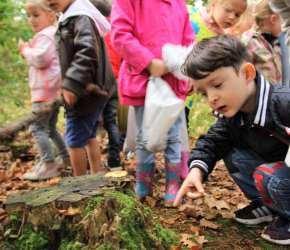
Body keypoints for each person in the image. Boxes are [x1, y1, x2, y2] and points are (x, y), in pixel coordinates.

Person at [174, 35, 290, 245]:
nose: (211, 98)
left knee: (269, 175)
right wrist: (196, 171)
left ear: (247, 73)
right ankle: (268, 205)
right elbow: (212, 142)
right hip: (279, 175)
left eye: (217, 85)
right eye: (203, 93)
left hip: (281, 175)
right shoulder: (234, 116)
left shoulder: (283, 103)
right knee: (232, 153)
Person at [111, 0, 194, 205]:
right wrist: (147, 61)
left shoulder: (178, 5)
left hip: (173, 81)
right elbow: (120, 34)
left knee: (174, 136)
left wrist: (190, 68)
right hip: (143, 80)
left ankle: (172, 187)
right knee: (144, 136)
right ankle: (143, 186)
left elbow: (188, 39)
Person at [45, 0, 116, 176]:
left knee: (74, 142)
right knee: (89, 136)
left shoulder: (79, 17)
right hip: (92, 89)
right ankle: (95, 175)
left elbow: (87, 51)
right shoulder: (71, 17)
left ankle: (79, 185)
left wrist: (71, 84)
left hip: (85, 92)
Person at [19, 0, 69, 181]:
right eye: (29, 16)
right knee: (50, 128)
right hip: (51, 90)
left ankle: (49, 163)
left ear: (51, 15)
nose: (31, 20)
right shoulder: (50, 34)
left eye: (36, 15)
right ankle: (65, 158)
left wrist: (25, 50)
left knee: (37, 128)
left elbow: (40, 59)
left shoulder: (46, 35)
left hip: (44, 91)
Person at [90, 0, 122, 171]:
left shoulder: (96, 30)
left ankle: (92, 162)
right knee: (112, 122)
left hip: (101, 80)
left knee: (92, 122)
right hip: (117, 81)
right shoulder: (116, 28)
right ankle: (114, 160)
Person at [243, 0, 287, 84]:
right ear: (273, 19)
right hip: (262, 93)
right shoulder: (251, 41)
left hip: (278, 92)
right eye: (284, 21)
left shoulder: (276, 42)